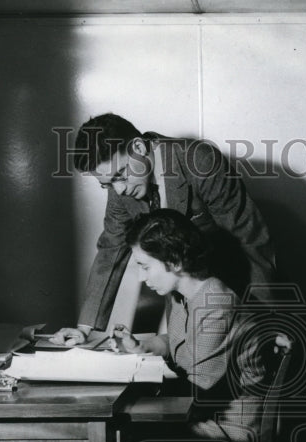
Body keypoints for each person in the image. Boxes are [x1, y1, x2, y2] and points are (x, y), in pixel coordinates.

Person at [52, 113, 276, 346]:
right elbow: (111, 248)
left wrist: (264, 321)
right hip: (182, 314)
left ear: (138, 146)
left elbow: (249, 241)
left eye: (120, 175)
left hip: (236, 302)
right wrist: (84, 329)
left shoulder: (199, 161)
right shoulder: (120, 186)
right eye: (107, 184)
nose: (118, 190)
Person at [108, 209, 269, 442]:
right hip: (200, 414)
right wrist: (141, 347)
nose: (142, 278)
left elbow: (196, 389)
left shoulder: (216, 304)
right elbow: (183, 343)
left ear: (174, 261)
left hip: (229, 428)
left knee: (118, 437)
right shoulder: (185, 295)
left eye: (145, 266)